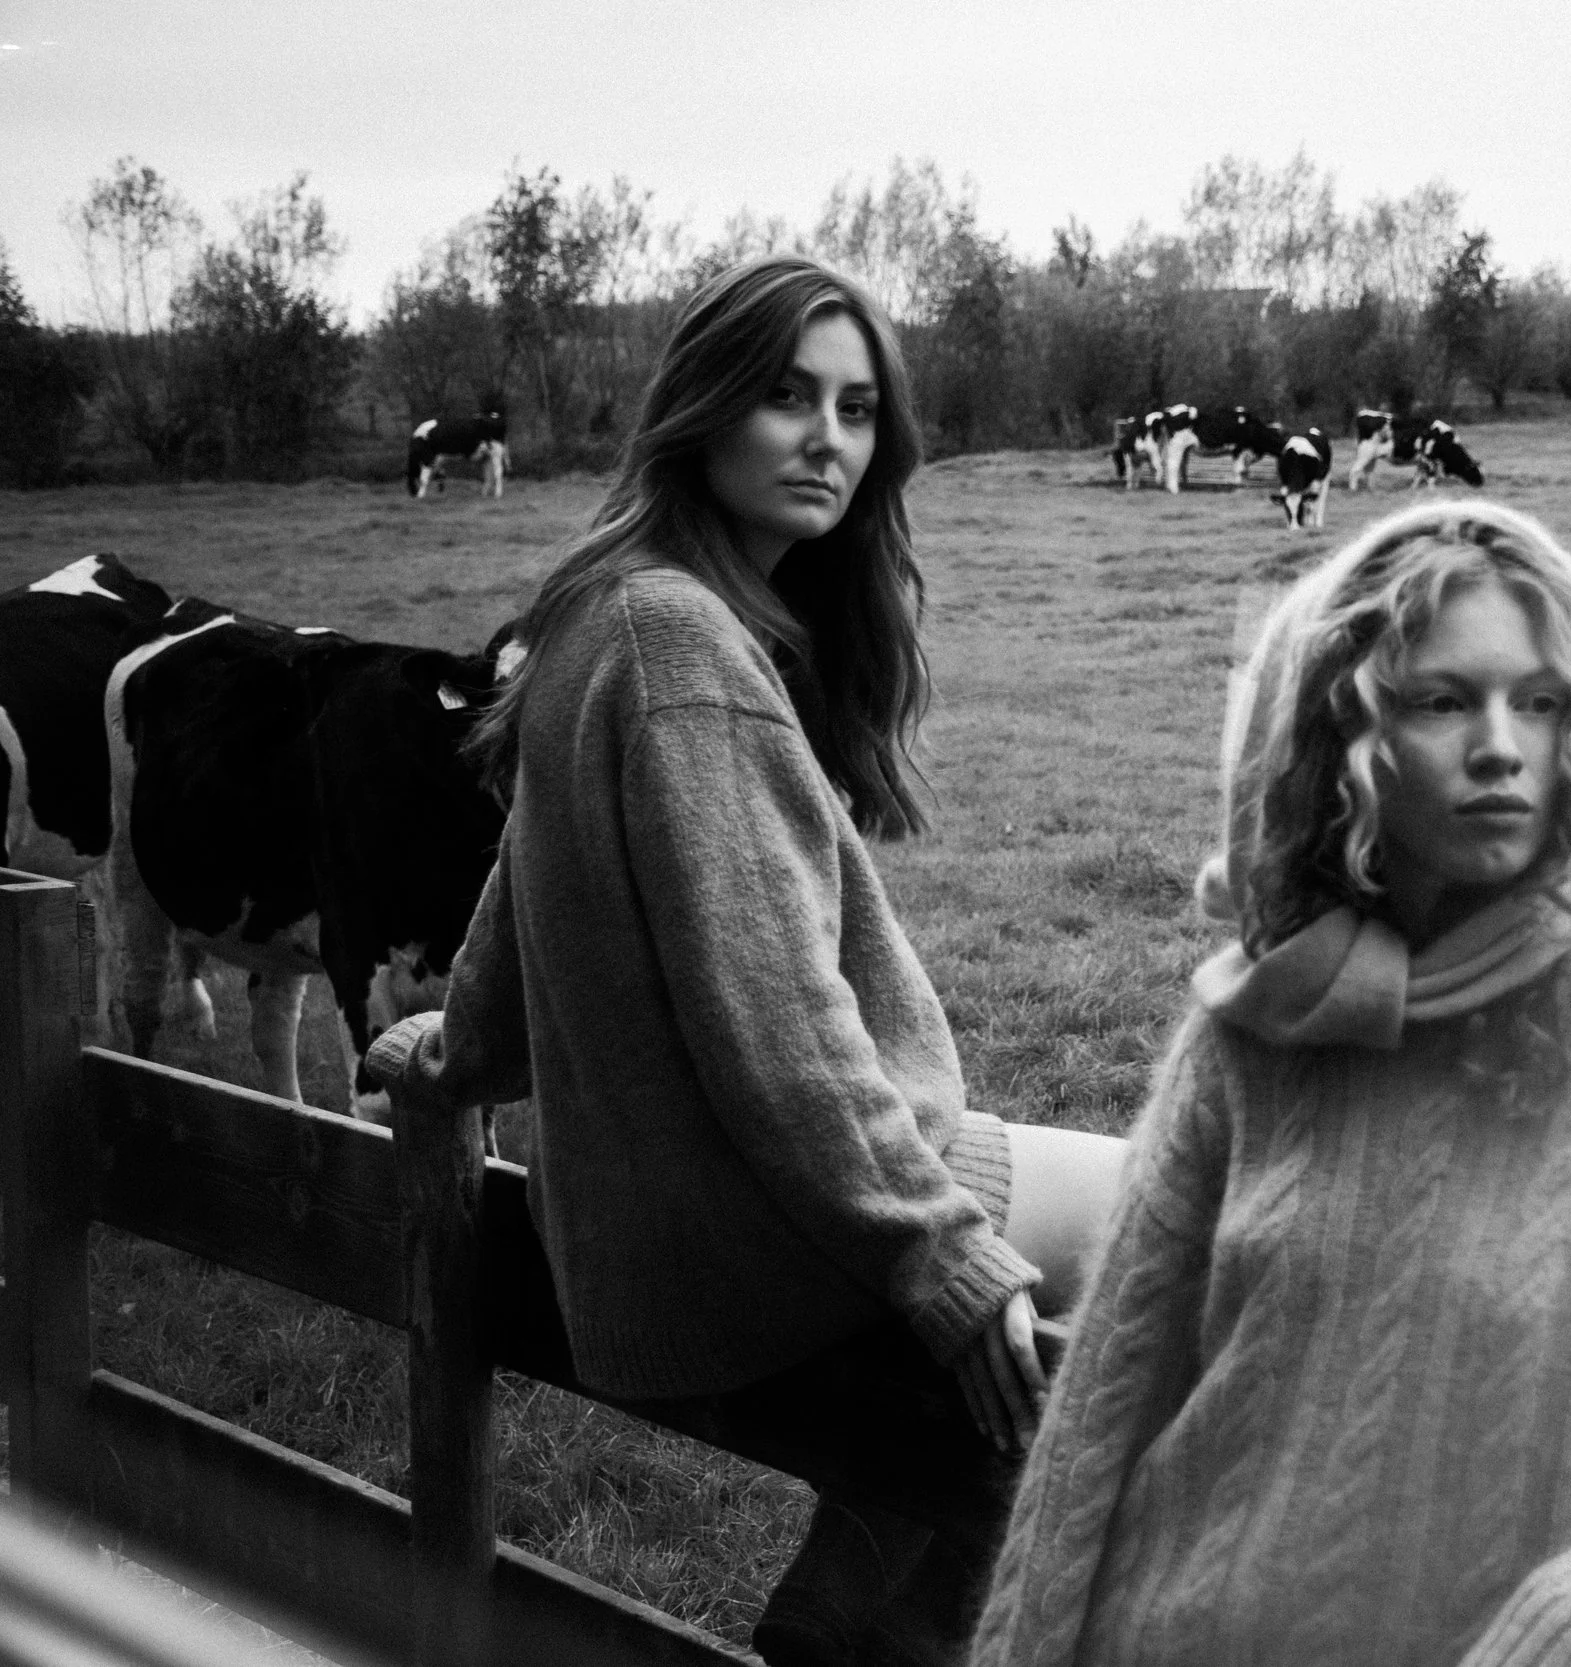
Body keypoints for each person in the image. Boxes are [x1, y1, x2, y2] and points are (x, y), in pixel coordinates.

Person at [972, 500, 1571, 1667]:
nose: (1500, 745)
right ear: (1342, 732)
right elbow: (1099, 1411)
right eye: (1440, 699)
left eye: (1540, 700)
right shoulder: (1260, 1026)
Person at [362, 255, 1123, 1667]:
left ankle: (854, 1608)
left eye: (855, 407)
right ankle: (859, 1631)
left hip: (645, 1236)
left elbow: (527, 881)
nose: (826, 438)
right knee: (1181, 1216)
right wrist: (937, 1253)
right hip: (751, 1234)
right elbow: (779, 1028)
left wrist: (457, 1055)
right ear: (703, 407)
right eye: (786, 397)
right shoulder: (681, 646)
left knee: (1088, 1283)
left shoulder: (608, 605)